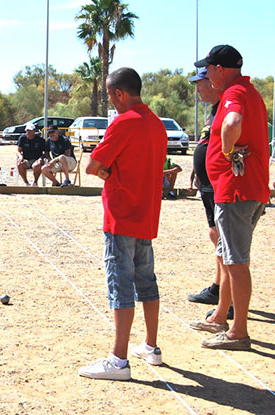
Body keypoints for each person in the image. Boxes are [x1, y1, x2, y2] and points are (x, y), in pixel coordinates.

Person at [79, 67, 167, 381]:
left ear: (119, 93)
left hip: (120, 216)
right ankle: (151, 347)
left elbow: (92, 166)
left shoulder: (123, 122)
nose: (112, 102)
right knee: (147, 281)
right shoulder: (158, 124)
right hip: (147, 215)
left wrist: (107, 174)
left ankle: (119, 360)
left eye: (111, 95)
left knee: (120, 286)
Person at [189, 45, 269, 351]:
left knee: (236, 262)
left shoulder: (235, 93)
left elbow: (233, 123)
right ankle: (220, 316)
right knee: (227, 255)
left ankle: (238, 332)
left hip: (237, 191)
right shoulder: (247, 90)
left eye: (208, 70)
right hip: (242, 190)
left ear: (219, 69)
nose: (206, 77)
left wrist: (225, 150)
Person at [185, 67, 233, 319]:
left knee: (225, 242)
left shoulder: (227, 106)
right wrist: (197, 168)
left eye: (200, 83)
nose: (197, 88)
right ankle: (218, 288)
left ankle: (230, 295)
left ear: (213, 83)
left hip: (220, 185)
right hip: (207, 185)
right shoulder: (215, 111)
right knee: (216, 236)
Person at [16, 122, 46, 186]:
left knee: (37, 165)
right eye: (27, 131)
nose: (28, 132)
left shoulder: (40, 140)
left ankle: (35, 182)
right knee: (20, 164)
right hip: (26, 159)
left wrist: (41, 158)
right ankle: (26, 182)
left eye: (30, 130)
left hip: (36, 159)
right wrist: (20, 157)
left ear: (34, 131)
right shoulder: (22, 138)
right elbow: (18, 150)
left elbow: (45, 152)